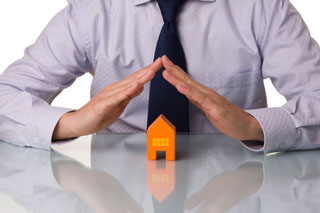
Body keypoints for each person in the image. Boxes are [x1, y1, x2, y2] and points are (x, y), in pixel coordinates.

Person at [0, 0, 319, 154]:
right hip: (113, 193)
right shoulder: (92, 11)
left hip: (239, 191)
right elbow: (6, 96)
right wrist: (72, 123)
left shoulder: (264, 9)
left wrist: (251, 125)